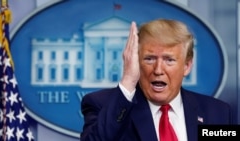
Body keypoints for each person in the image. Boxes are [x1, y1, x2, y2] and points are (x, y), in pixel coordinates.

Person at [80, 19, 232, 141]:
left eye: (169, 60)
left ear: (186, 66)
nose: (158, 70)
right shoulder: (103, 105)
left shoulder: (217, 112)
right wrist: (128, 80)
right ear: (136, 62)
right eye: (149, 59)